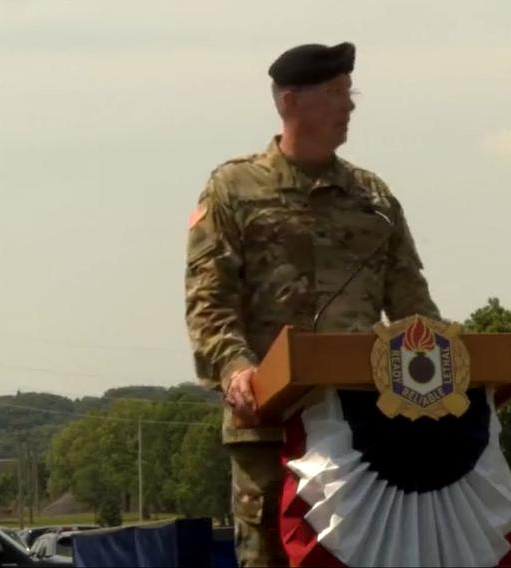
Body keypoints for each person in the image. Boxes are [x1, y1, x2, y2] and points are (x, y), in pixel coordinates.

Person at [185, 41, 440, 567]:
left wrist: (447, 372)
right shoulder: (233, 189)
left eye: (350, 92)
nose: (349, 105)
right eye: (334, 92)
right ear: (289, 102)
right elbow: (209, 301)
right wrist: (237, 372)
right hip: (271, 428)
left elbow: (415, 312)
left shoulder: (374, 199)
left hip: (363, 434)